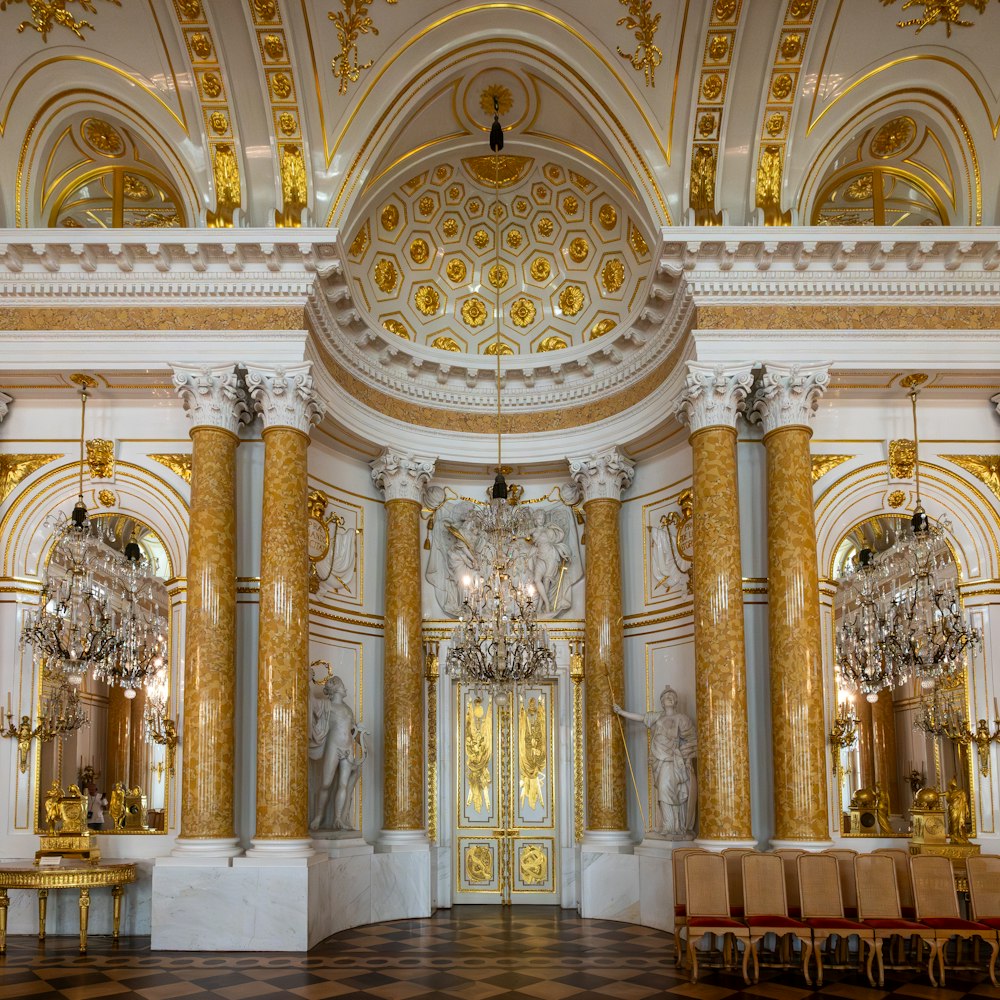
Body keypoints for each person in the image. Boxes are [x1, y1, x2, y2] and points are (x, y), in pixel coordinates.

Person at [614, 685, 697, 838]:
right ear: (662, 702)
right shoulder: (657, 717)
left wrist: (685, 755)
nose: (669, 698)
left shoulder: (682, 719)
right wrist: (621, 712)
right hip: (660, 760)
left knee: (675, 792)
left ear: (676, 700)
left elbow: (692, 739)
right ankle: (668, 824)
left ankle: (676, 826)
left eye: (672, 696)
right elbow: (641, 718)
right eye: (666, 697)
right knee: (664, 790)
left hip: (674, 760)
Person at [309, 674, 365, 831]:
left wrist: (361, 736)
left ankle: (339, 818)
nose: (345, 687)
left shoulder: (348, 709)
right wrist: (306, 679)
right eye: (342, 685)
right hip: (333, 748)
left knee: (343, 784)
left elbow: (352, 730)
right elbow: (310, 702)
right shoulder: (327, 706)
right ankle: (319, 817)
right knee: (326, 783)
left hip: (348, 749)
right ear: (336, 689)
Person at [947, 777, 970, 843]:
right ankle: (954, 837)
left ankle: (959, 837)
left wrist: (967, 810)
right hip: (952, 809)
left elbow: (965, 802)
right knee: (952, 823)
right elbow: (948, 800)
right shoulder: (949, 793)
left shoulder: (961, 792)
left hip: (959, 809)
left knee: (960, 823)